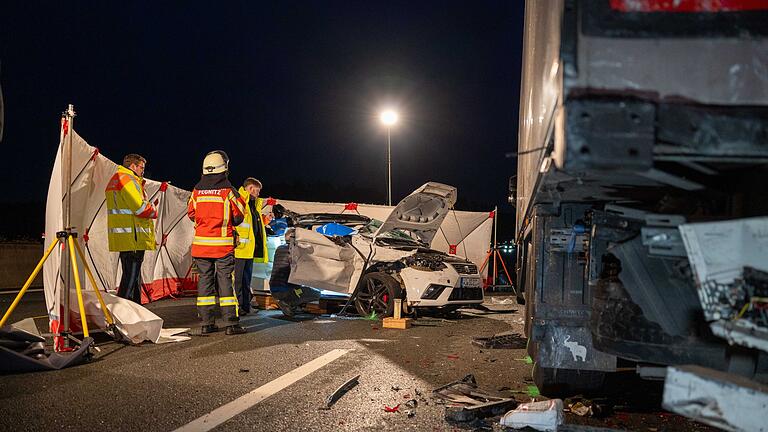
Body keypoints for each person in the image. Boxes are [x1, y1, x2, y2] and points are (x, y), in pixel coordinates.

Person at [188, 150, 247, 335]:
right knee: (225, 282)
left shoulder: (196, 191)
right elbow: (239, 215)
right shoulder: (228, 191)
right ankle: (231, 324)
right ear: (224, 168)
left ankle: (206, 323)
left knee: (205, 283)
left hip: (201, 247)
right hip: (222, 247)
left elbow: (191, 213)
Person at [105, 154, 157, 304]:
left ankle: (136, 308)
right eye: (141, 167)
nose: (143, 171)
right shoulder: (128, 180)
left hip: (125, 236)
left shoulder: (116, 179)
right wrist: (153, 209)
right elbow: (139, 208)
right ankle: (122, 312)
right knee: (130, 277)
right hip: (133, 236)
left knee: (133, 276)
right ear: (133, 166)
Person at [234, 177, 268, 316]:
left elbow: (252, 225)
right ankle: (238, 307)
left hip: (249, 249)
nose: (258, 194)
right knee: (238, 281)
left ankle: (246, 306)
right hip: (240, 249)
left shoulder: (253, 205)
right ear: (250, 189)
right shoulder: (239, 201)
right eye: (257, 191)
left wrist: (265, 221)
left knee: (246, 280)